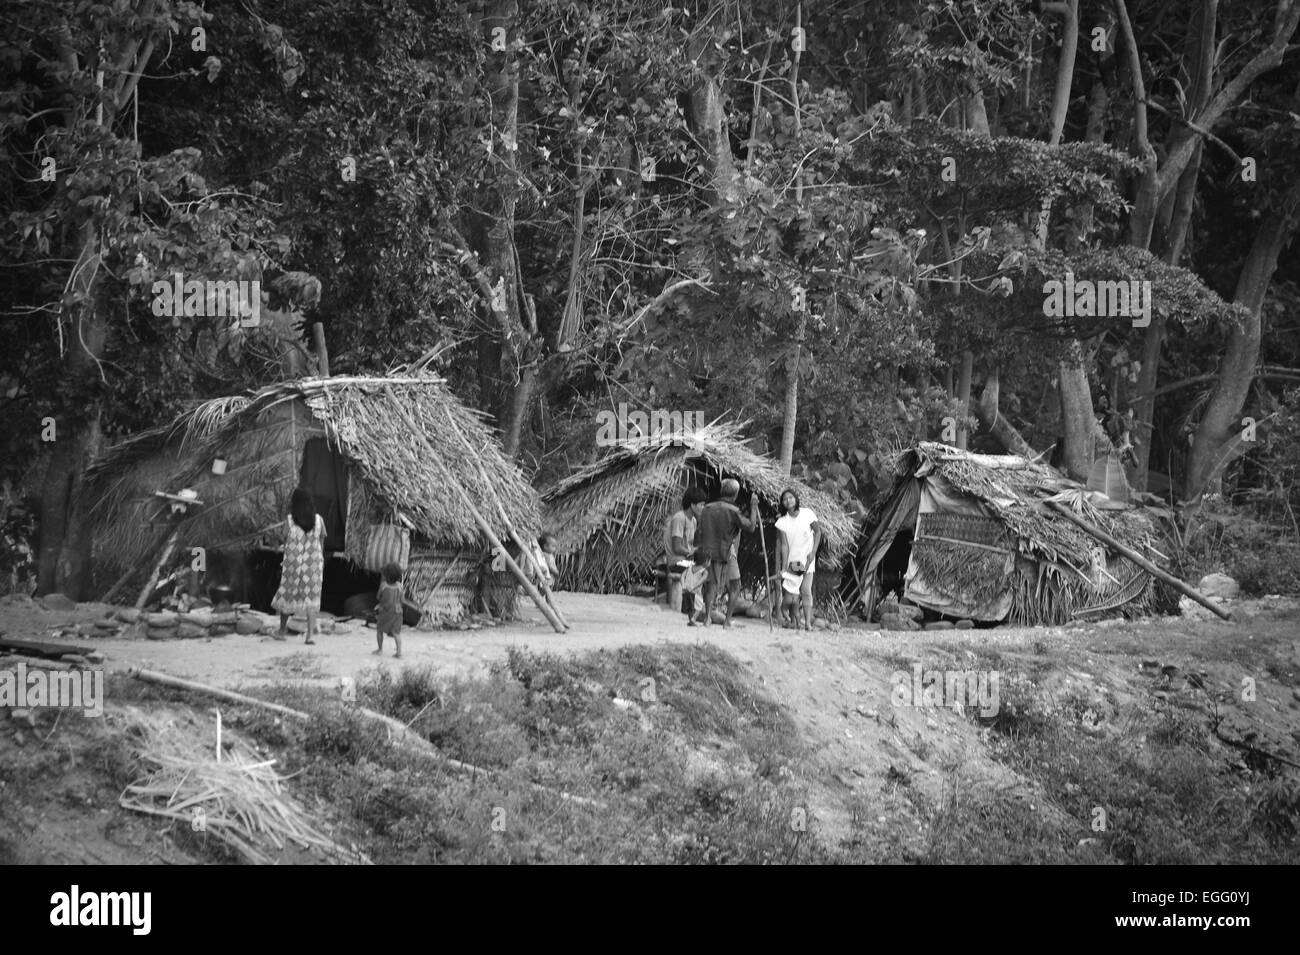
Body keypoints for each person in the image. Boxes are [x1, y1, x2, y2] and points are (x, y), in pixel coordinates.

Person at [695, 478, 759, 628]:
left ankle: (707, 619)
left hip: (708, 552)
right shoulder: (734, 511)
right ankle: (727, 621)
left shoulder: (707, 508)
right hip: (726, 553)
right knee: (735, 586)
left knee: (710, 585)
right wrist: (754, 507)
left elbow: (700, 531)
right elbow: (750, 527)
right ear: (735, 495)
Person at [272, 486, 326, 645]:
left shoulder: (290, 521)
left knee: (287, 595)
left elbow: (284, 540)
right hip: (313, 566)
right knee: (312, 599)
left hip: (293, 565)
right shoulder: (319, 520)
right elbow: (322, 541)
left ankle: (282, 631)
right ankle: (309, 636)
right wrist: (319, 559)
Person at [774, 488, 822, 630]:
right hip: (793, 563)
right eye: (785, 499)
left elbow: (818, 532)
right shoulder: (782, 522)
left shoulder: (807, 513)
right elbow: (784, 545)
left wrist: (813, 552)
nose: (788, 501)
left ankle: (807, 623)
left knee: (806, 590)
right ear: (782, 503)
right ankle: (793, 620)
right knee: (792, 596)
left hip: (807, 559)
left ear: (796, 499)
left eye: (790, 497)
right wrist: (784, 566)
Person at [662, 488, 707, 616]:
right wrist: (694, 552)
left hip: (686, 561)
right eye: (701, 505)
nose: (703, 508)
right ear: (692, 505)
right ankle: (692, 609)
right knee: (701, 571)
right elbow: (677, 547)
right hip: (677, 562)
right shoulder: (679, 518)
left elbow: (689, 546)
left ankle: (694, 608)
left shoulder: (693, 521)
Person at [374, 561, 404, 658]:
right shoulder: (400, 586)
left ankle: (380, 649)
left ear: (386, 575)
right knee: (396, 633)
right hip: (398, 612)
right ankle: (399, 652)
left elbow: (378, 597)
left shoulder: (383, 585)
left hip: (386, 611)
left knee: (379, 630)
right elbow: (402, 600)